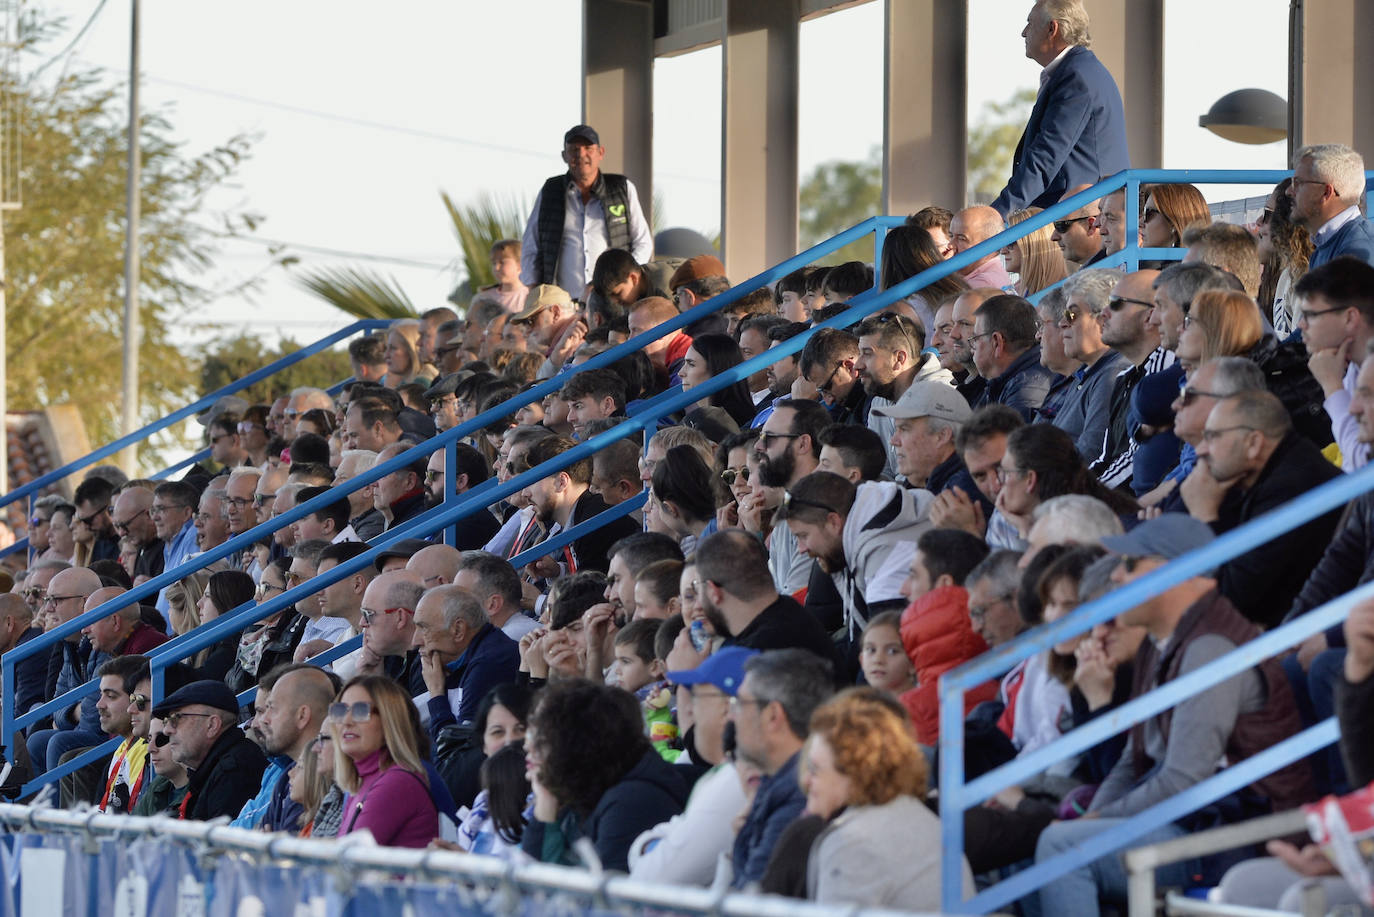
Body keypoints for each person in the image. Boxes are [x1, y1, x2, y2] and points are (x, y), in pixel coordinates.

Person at [1034, 514, 1313, 917]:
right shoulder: (1161, 641)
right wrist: (1095, 815)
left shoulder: (1210, 647)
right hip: (1199, 822)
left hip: (1243, 835)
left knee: (1060, 849)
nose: (1116, 578)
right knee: (1049, 843)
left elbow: (1184, 780)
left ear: (1171, 571)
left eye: (1131, 565)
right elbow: (1134, 757)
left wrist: (1096, 819)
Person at [1183, 390, 1343, 630]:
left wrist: (1203, 517)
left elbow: (1228, 601)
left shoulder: (1290, 490)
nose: (1200, 450)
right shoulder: (1267, 475)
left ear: (1254, 443)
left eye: (1212, 437)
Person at [804, 688, 974, 909]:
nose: (806, 780)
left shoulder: (853, 845)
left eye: (815, 769)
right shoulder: (916, 817)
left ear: (854, 774)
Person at [523, 678, 689, 871]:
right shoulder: (584, 786)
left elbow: (585, 897)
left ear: (578, 743)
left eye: (541, 738)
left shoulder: (632, 803)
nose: (528, 746)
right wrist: (546, 799)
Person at [991, 0, 1128, 215]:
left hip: (1081, 220)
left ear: (1051, 29)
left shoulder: (1076, 77)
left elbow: (1044, 158)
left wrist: (998, 216)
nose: (1023, 32)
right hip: (1079, 215)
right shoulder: (1079, 70)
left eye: (1030, 23)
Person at [729, 649, 834, 889]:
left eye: (740, 703)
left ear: (773, 715)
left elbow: (751, 901)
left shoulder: (801, 795)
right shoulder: (780, 780)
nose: (732, 716)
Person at [520, 124, 653, 298]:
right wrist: (534, 290)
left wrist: (622, 280)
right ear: (564, 156)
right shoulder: (550, 191)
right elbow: (531, 246)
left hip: (613, 299)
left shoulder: (621, 188)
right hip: (562, 304)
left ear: (601, 153)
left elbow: (643, 243)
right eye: (574, 149)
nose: (581, 155)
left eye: (588, 148)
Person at [897, 528, 996, 746]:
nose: (902, 588)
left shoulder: (910, 710)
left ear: (944, 586)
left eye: (913, 576)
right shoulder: (1006, 673)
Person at [331, 675, 440, 848]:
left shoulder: (397, 782)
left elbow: (349, 863)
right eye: (340, 711)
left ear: (389, 720)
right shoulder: (361, 783)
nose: (346, 721)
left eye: (360, 711)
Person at [1296, 256, 1374, 471]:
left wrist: (1332, 388)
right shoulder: (1355, 367)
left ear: (1350, 318)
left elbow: (1364, 463)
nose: (1301, 325)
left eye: (1310, 315)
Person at [413, 584, 520, 738]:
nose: (415, 641)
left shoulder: (490, 664)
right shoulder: (462, 659)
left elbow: (456, 755)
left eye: (423, 628)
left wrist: (436, 693)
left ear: (458, 630)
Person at [154, 679, 267, 820]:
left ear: (212, 725)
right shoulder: (215, 768)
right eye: (166, 721)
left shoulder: (235, 770)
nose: (166, 730)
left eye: (176, 718)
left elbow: (222, 841)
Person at [1054, 270, 1129, 458]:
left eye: (1072, 315)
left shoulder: (1112, 374)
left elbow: (1091, 454)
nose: (1063, 323)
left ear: (1103, 318)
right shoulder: (1087, 372)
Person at [971, 294, 1056, 421]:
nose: (972, 347)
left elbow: (1011, 440)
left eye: (975, 339)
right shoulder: (1007, 381)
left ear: (997, 342)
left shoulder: (1027, 390)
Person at [1289, 143, 1374, 269]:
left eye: (1298, 183)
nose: (1289, 191)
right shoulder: (1326, 245)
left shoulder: (1356, 252)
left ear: (1326, 192)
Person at [1005, 207, 1069, 294]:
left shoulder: (1064, 297)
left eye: (1010, 243)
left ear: (1033, 245)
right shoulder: (1016, 291)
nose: (1003, 251)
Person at [951, 206, 1017, 290]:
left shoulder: (982, 284)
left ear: (988, 245)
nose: (950, 244)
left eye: (961, 238)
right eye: (951, 236)